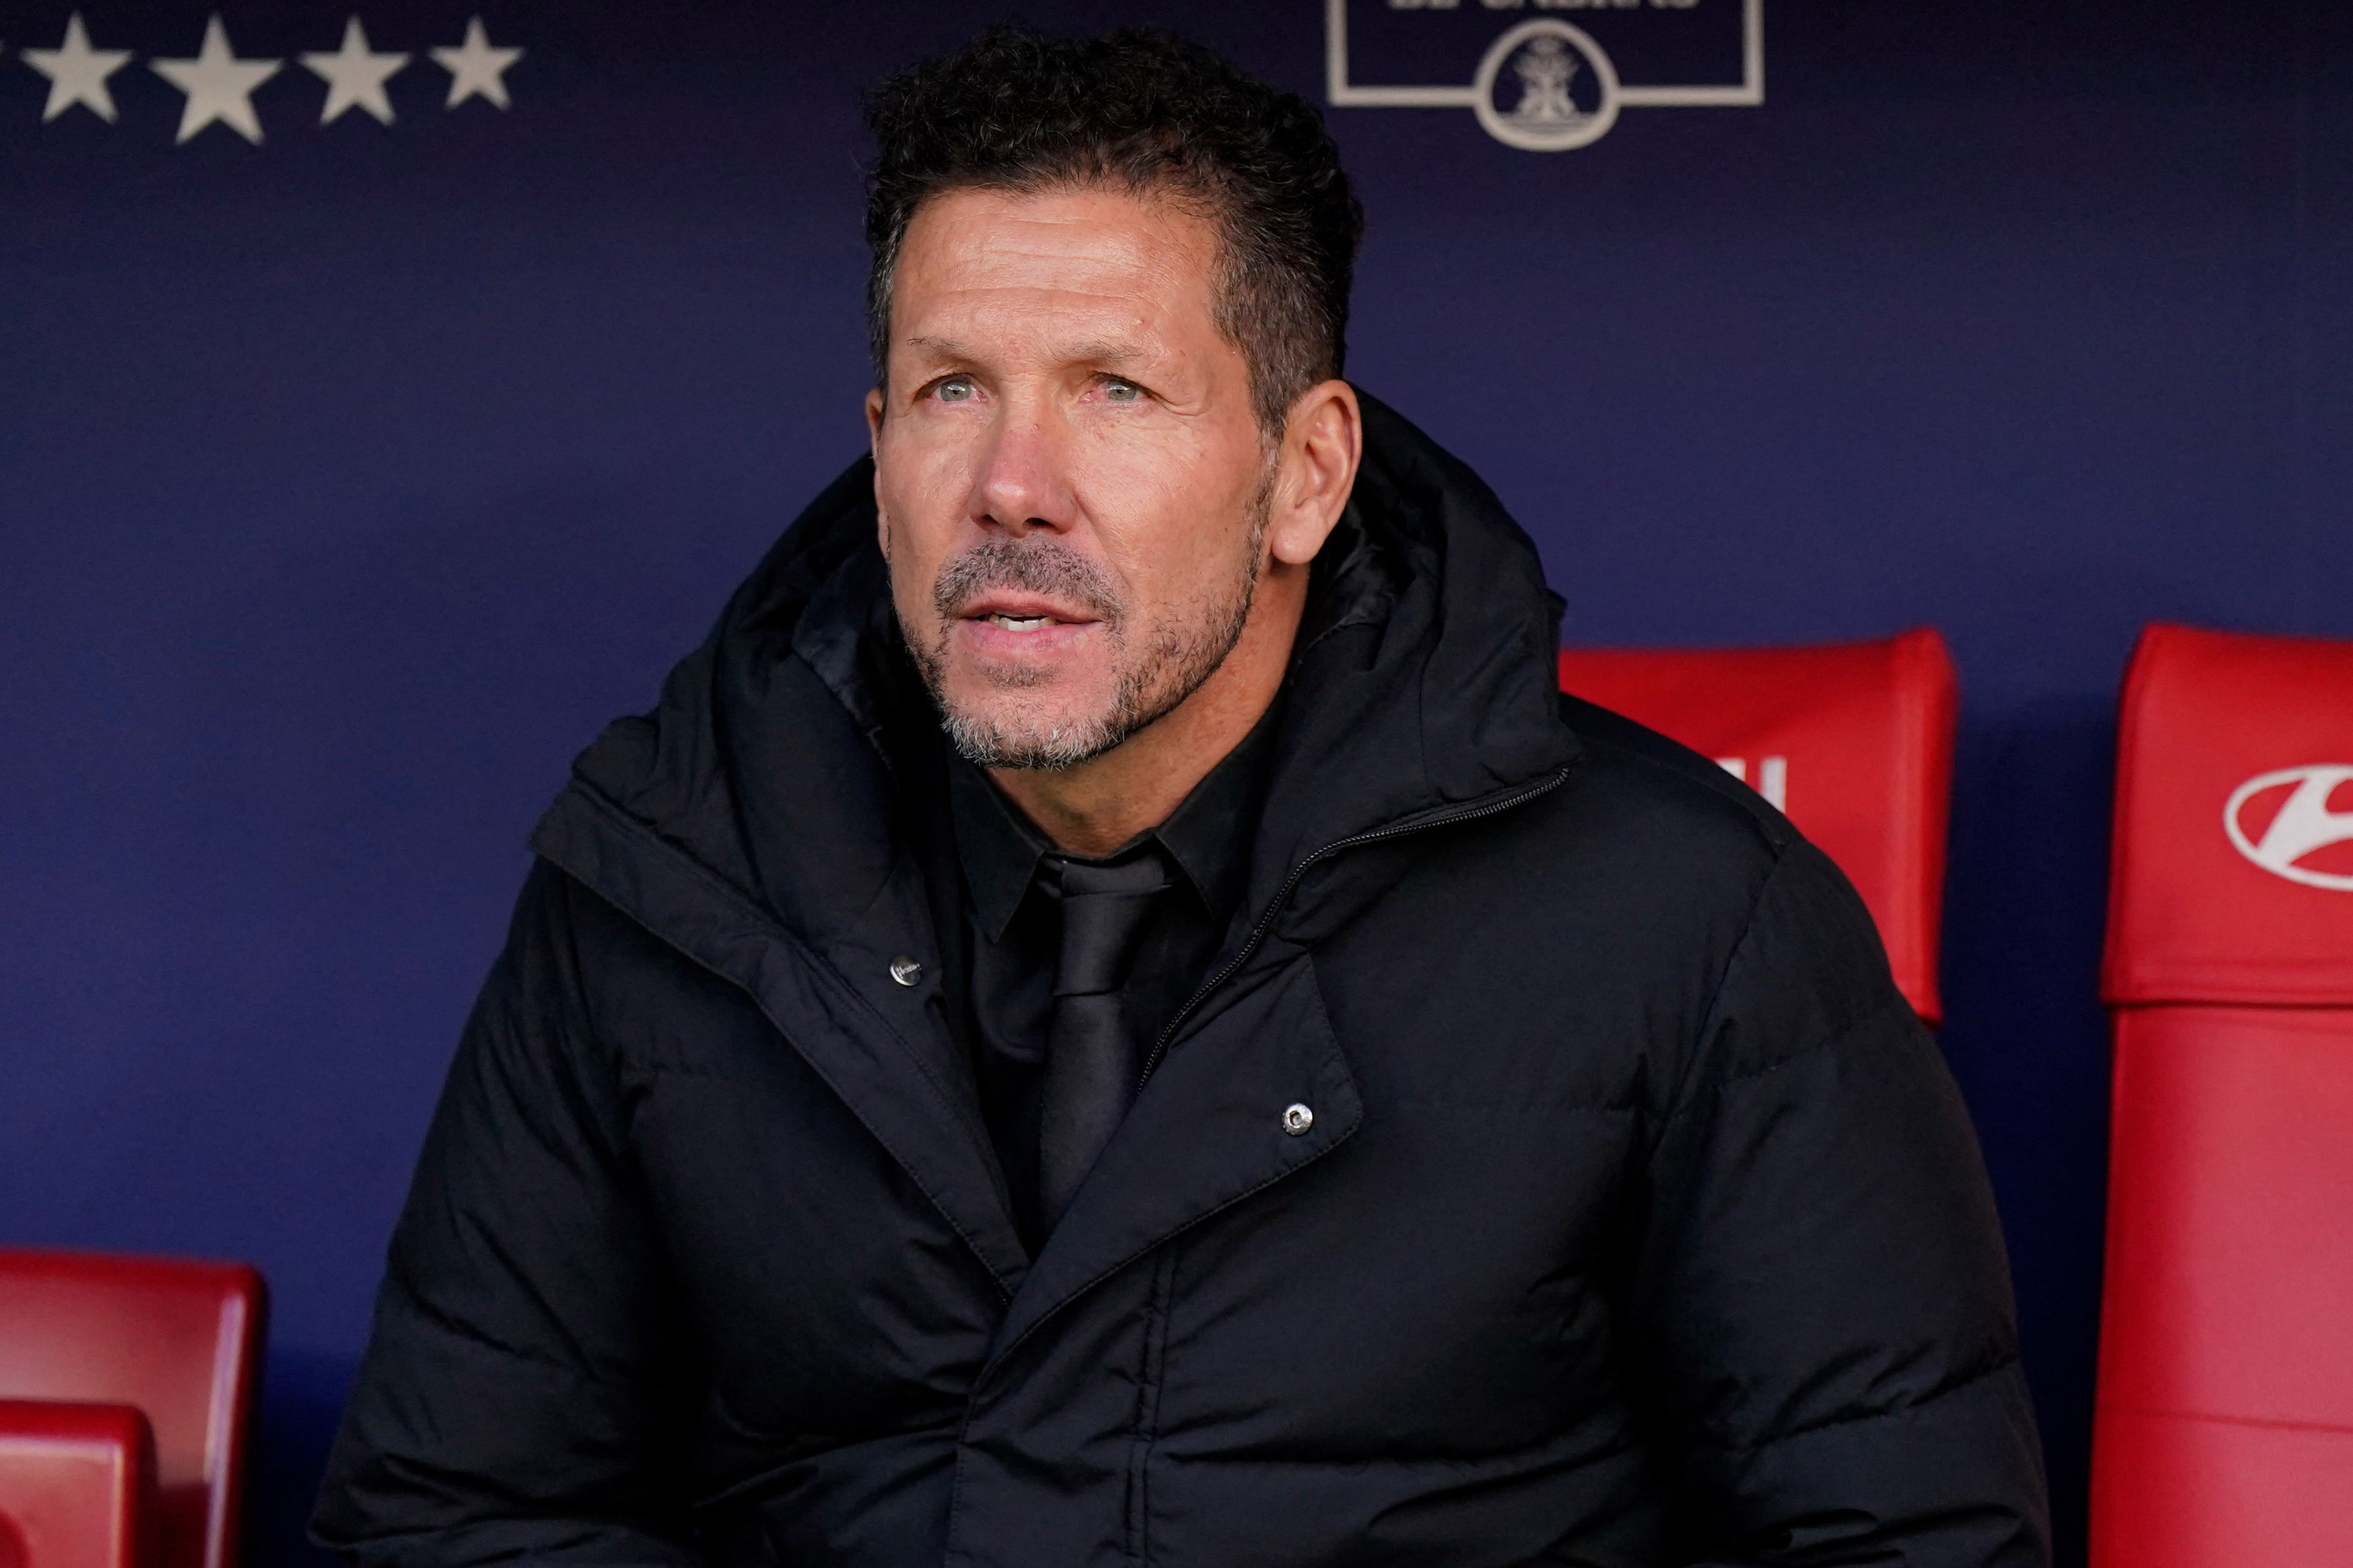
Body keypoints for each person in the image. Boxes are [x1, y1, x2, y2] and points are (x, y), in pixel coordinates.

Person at [313, 26, 2049, 1568]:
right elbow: (454, 1512)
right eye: (952, 391)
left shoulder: (1696, 921)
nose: (1013, 485)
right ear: (881, 447)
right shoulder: (666, 883)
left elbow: (1901, 1537)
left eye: (1116, 392)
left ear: (1306, 474)